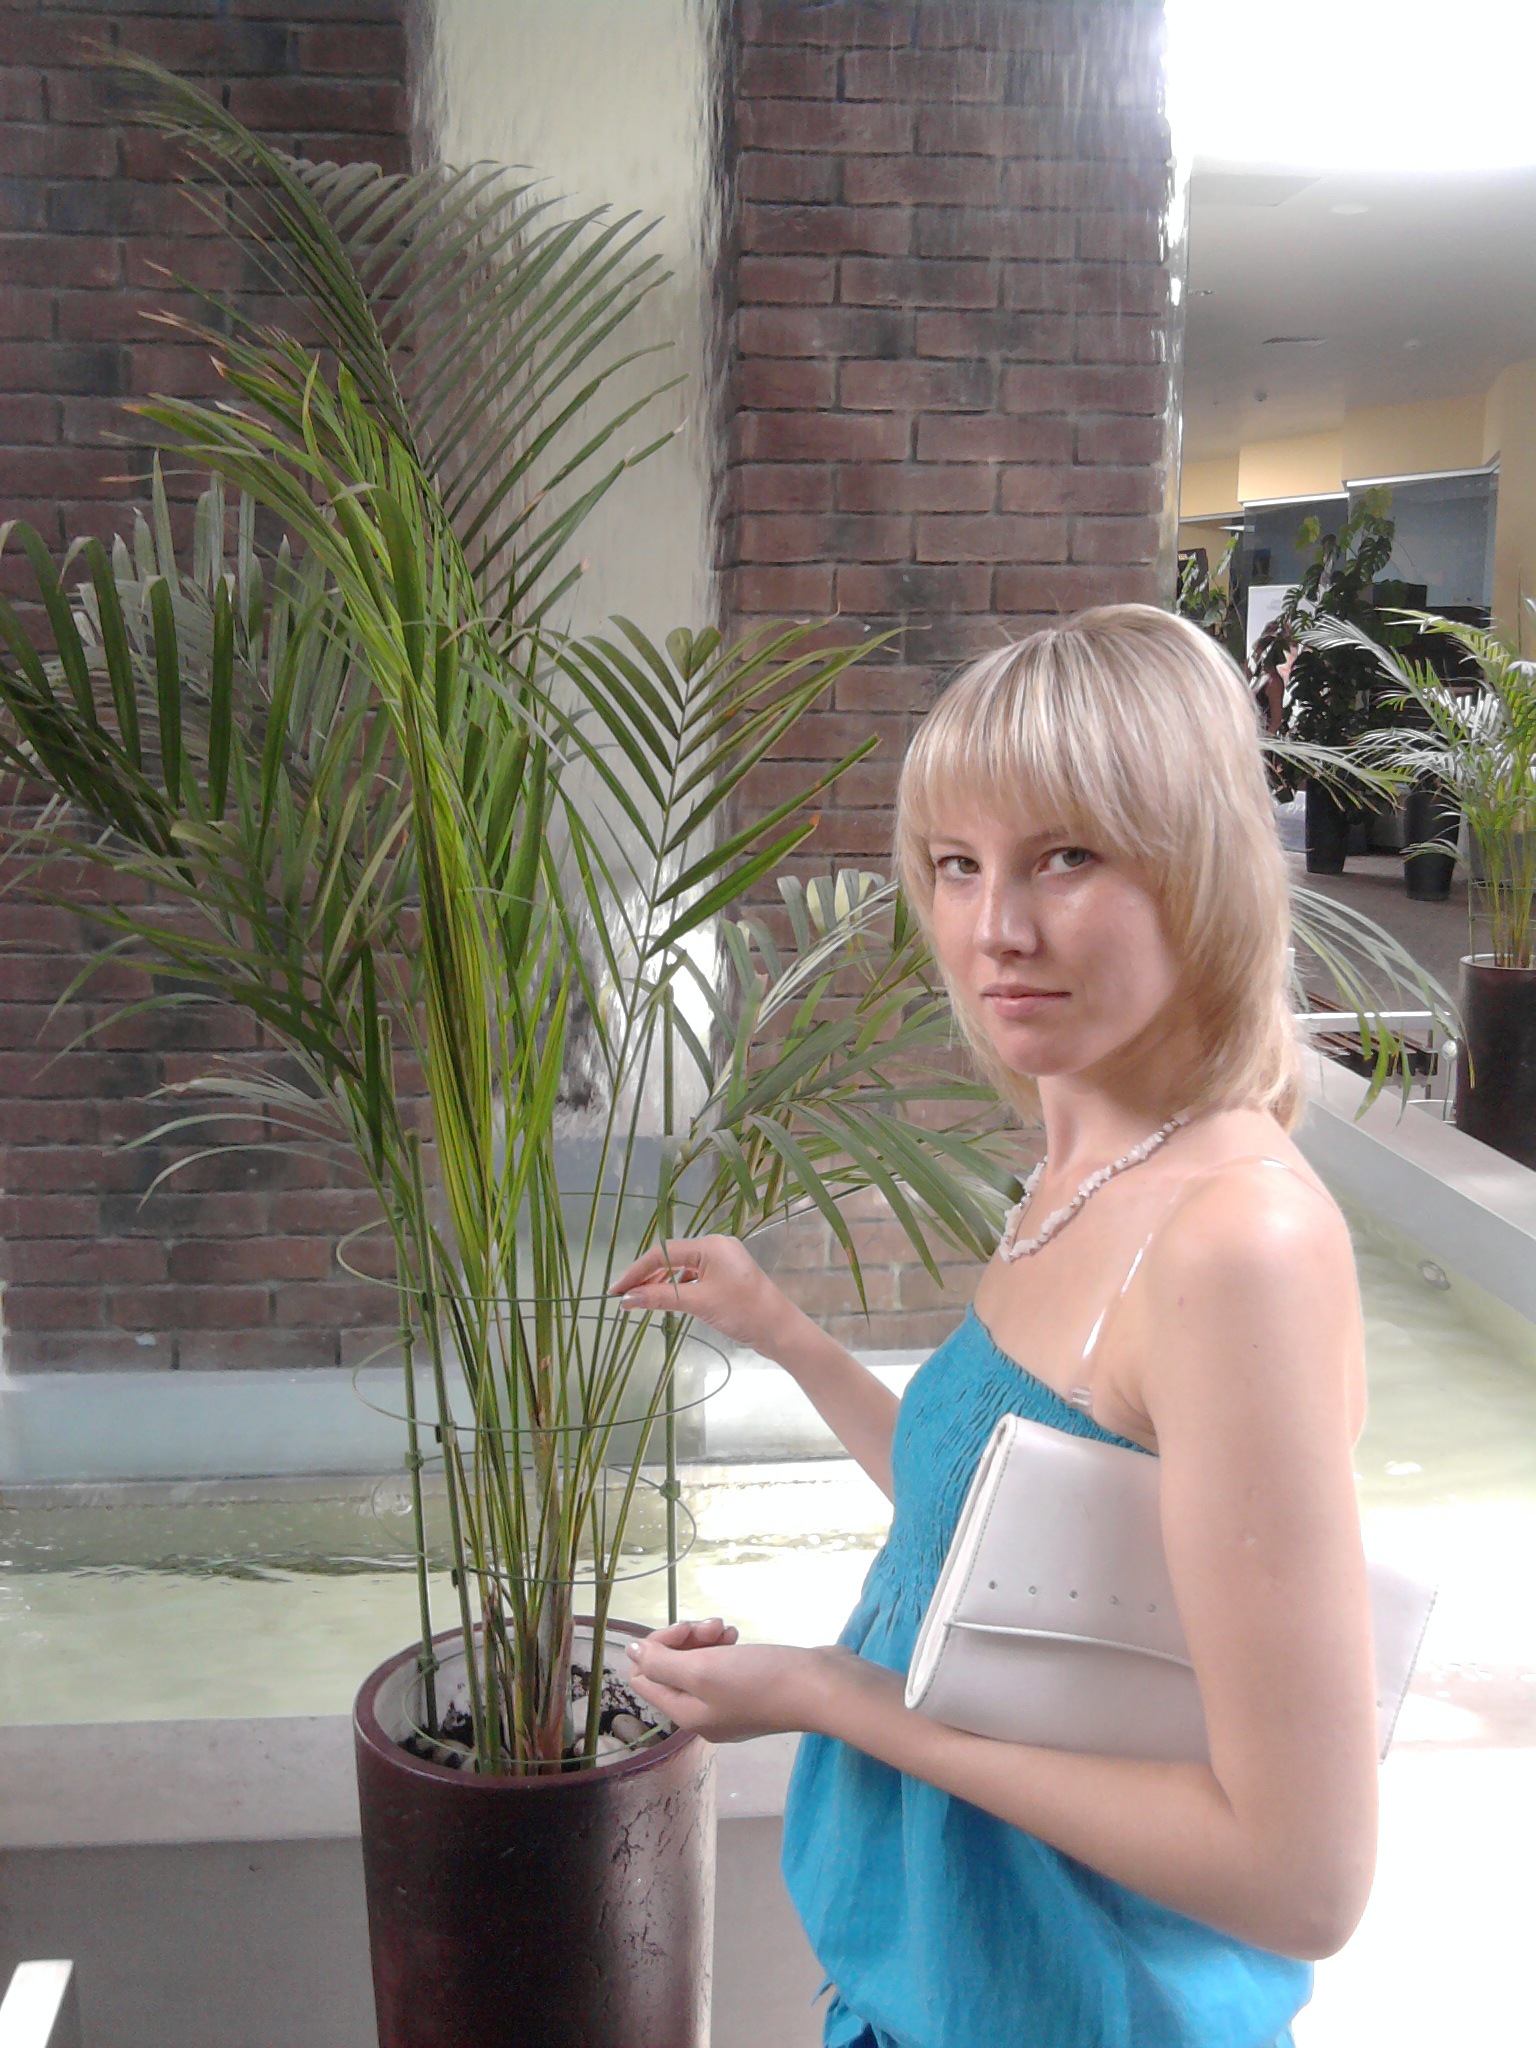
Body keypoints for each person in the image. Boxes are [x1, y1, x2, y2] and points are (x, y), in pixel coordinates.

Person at [611, 604, 1378, 2048]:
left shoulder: (1235, 1243)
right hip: (936, 1992)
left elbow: (1302, 1877)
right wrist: (785, 1331)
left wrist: (835, 1696)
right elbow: (1011, 1534)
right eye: (957, 865)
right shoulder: (1078, 1167)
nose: (994, 931)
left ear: (1203, 869)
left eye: (1066, 858)